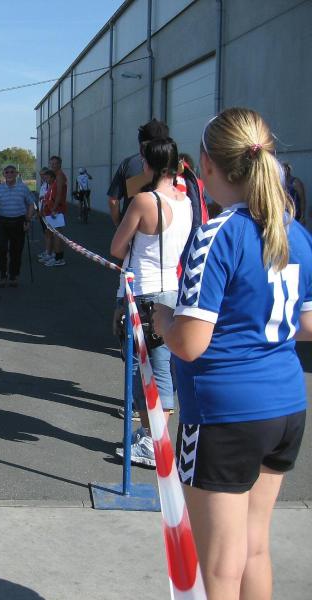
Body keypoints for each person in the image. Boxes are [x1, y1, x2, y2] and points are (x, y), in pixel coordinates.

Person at [153, 108, 312, 600]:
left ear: (206, 165)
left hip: (224, 415)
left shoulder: (217, 233)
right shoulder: (294, 232)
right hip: (286, 406)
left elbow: (190, 342)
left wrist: (160, 319)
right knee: (254, 548)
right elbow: (307, 324)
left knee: (219, 565)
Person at [110, 137, 192, 467]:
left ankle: (152, 440)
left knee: (145, 369)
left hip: (143, 292)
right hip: (170, 289)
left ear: (149, 164)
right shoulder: (185, 200)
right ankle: (153, 435)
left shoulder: (145, 201)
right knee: (159, 368)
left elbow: (117, 247)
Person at [108, 119, 170, 226]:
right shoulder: (177, 166)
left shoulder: (129, 164)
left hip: (133, 229)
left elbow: (113, 200)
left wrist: (120, 225)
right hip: (168, 228)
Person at [0, 164, 35, 287]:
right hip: (3, 222)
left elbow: (31, 204)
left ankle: (13, 275)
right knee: (1, 249)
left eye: (12, 172)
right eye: (7, 172)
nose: (9, 174)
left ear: (16, 174)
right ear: (4, 174)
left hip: (19, 221)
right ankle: (2, 274)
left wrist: (28, 219)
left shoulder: (23, 188)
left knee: (16, 250)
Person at [42, 156, 67, 266]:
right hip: (52, 209)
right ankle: (55, 255)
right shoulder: (56, 176)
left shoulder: (60, 176)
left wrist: (54, 208)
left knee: (57, 235)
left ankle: (58, 258)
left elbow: (59, 194)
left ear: (60, 164)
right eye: (51, 163)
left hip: (56, 210)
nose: (53, 165)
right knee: (54, 233)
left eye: (55, 163)